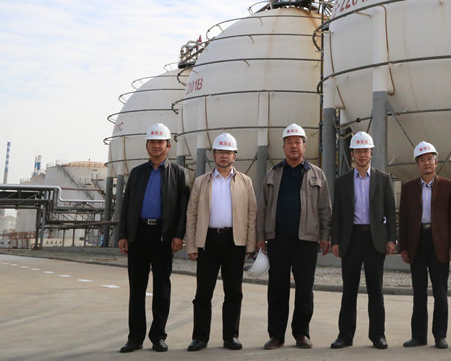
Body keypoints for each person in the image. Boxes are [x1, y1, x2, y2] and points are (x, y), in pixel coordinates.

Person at [256, 124, 332, 350]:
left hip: (306, 240)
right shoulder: (273, 173)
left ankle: (301, 333)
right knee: (277, 288)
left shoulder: (317, 174)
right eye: (289, 142)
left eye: (298, 142)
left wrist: (325, 235)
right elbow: (263, 208)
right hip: (277, 239)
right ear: (283, 147)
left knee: (305, 288)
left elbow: (325, 209)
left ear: (304, 146)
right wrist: (260, 236)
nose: (294, 146)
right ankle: (276, 335)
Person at [117, 123, 189, 353]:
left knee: (162, 288)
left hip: (163, 236)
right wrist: (123, 235)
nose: (156, 146)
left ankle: (158, 336)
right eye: (153, 142)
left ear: (168, 146)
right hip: (138, 235)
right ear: (147, 145)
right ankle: (135, 338)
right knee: (137, 289)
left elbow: (183, 208)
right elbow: (126, 205)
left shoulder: (178, 173)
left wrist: (178, 235)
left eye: (161, 142)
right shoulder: (137, 173)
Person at [185, 133, 257, 352]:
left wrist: (250, 245)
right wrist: (191, 245)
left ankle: (231, 336)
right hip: (208, 241)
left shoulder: (245, 181)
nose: (224, 156)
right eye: (220, 152)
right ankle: (200, 337)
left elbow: (252, 214)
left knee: (233, 292)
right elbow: (192, 214)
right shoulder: (201, 182)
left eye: (228, 152)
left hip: (235, 242)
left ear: (235, 156)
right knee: (203, 293)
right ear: (213, 155)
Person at [330, 132, 397, 350]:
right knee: (349, 290)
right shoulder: (342, 182)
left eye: (365, 151)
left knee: (375, 290)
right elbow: (337, 214)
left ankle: (378, 335)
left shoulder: (383, 179)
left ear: (371, 153)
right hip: (351, 239)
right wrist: (335, 241)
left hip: (374, 239)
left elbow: (390, 211)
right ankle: (345, 335)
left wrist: (391, 238)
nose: (362, 155)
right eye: (358, 151)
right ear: (352, 154)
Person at [398, 141, 451, 349]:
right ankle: (418, 336)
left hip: (440, 243)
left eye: (429, 159)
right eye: (422, 160)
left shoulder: (449, 186)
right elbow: (404, 219)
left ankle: (440, 335)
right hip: (417, 242)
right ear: (417, 163)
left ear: (436, 161)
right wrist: (403, 247)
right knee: (419, 292)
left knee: (440, 292)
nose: (426, 163)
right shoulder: (408, 188)